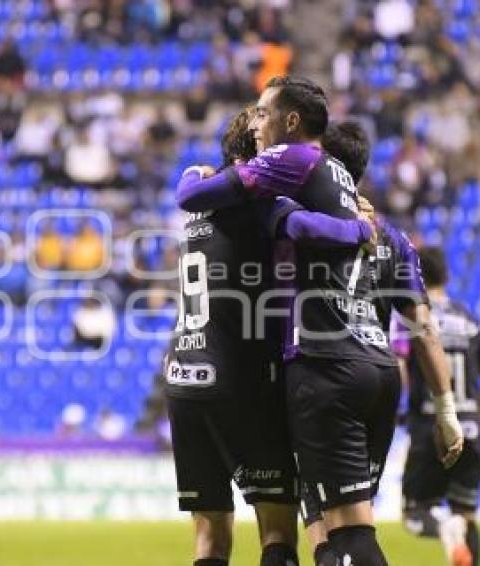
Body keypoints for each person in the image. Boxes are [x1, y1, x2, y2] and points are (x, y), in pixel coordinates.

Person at [177, 76, 463, 566]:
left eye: (266, 114)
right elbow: (424, 330)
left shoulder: (283, 188)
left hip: (317, 367)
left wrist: (191, 176)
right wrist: (444, 409)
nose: (262, 126)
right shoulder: (392, 236)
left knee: (329, 530)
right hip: (378, 372)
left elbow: (222, 207)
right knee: (343, 524)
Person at [166, 106, 375, 566]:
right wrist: (358, 227)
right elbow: (299, 227)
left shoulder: (198, 208)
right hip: (242, 378)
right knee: (278, 531)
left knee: (209, 539)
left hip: (184, 376)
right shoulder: (257, 201)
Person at [396, 247, 480, 566]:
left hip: (430, 427)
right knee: (467, 514)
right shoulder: (470, 319)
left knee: (416, 514)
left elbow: (400, 366)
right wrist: (477, 409)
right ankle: (457, 530)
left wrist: (399, 410)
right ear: (446, 275)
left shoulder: (413, 316)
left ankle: (446, 526)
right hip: (471, 427)